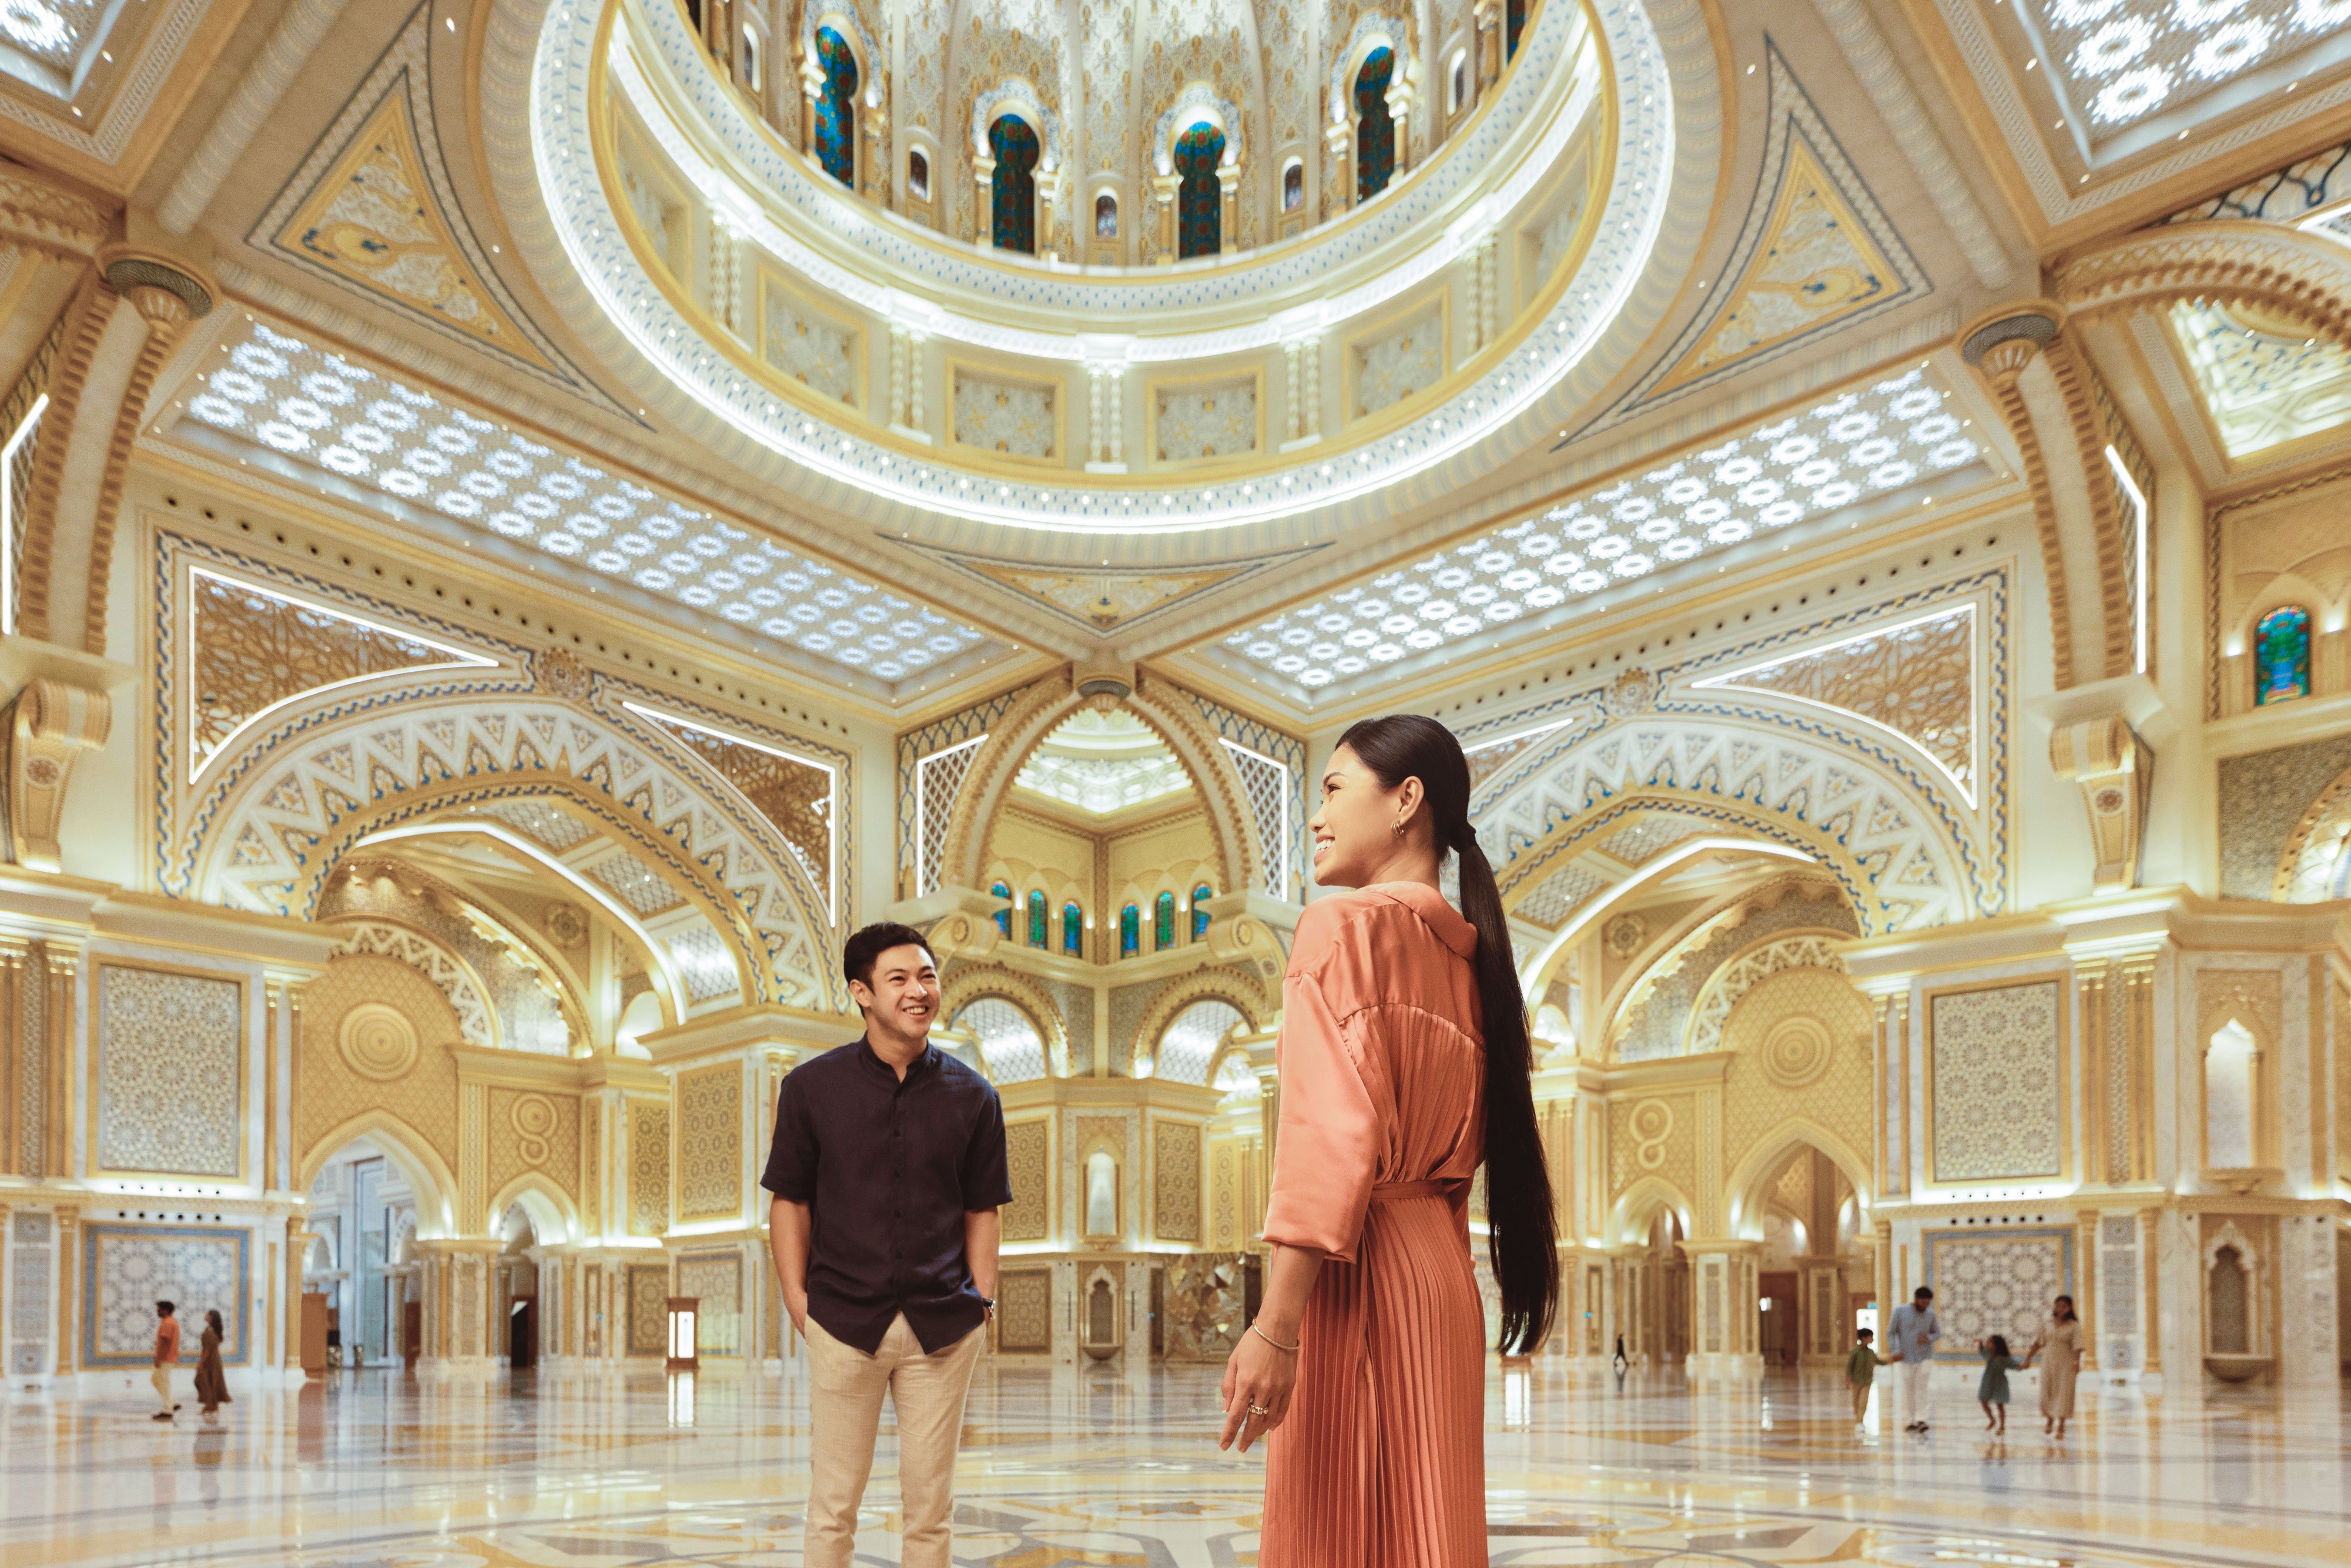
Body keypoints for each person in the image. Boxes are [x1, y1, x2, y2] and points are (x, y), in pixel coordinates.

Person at [1219, 713, 1558, 1568]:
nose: (1318, 815)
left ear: (1407, 800)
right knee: (1427, 1532)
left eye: (1333, 789)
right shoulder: (1475, 965)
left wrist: (1277, 1325)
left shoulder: (1341, 928)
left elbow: (1329, 1139)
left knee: (1336, 1535)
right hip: (1440, 1276)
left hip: (1354, 1274)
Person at [763, 922, 1010, 1568]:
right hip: (844, 1321)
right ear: (862, 993)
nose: (918, 991)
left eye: (926, 975)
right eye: (898, 978)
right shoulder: (811, 1089)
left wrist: (982, 1299)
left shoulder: (976, 1095)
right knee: (834, 1505)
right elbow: (789, 1199)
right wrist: (799, 1300)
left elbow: (982, 1206)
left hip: (945, 1328)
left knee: (931, 1509)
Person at [1886, 1286, 1940, 1431]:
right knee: (1909, 1389)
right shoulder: (1900, 1312)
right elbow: (1891, 1332)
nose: (1925, 1306)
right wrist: (1895, 1350)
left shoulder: (1930, 1315)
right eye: (1923, 1303)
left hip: (1925, 1358)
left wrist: (1928, 1338)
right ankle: (1912, 1420)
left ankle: (1922, 1419)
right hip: (1906, 1357)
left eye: (1928, 1303)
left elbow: (1938, 1333)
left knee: (1921, 1388)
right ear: (1916, 1299)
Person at [2030, 1294, 2082, 1438]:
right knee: (2048, 1390)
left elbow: (2077, 1346)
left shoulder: (2074, 1326)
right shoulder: (2047, 1324)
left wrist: (2077, 1362)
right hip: (2048, 1360)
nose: (2060, 1309)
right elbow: (2038, 1343)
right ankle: (2049, 1420)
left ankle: (2061, 1425)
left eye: (2064, 1307)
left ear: (2070, 1308)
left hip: (2066, 1361)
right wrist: (2029, 1359)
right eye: (2058, 1306)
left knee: (2064, 1392)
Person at [1976, 1334, 2021, 1434]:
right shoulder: (1988, 1353)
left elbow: (2014, 1365)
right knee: (1984, 1401)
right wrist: (1980, 1344)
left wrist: (2023, 1365)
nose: (1988, 1344)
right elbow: (1982, 1352)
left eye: (1990, 1342)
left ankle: (2002, 1426)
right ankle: (1992, 1420)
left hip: (1999, 1382)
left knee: (2000, 1405)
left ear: (1996, 1345)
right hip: (1987, 1381)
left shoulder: (2004, 1358)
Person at [194, 1309, 232, 1419]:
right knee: (208, 1381)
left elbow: (208, 1350)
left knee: (205, 1381)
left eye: (207, 1314)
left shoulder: (211, 1331)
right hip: (212, 1359)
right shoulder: (210, 1329)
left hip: (211, 1360)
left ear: (211, 1317)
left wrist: (201, 1363)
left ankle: (211, 1405)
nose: (205, 1315)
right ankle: (211, 1405)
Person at [1845, 1326, 1885, 1426]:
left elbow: (1879, 1361)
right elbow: (1849, 1367)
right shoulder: (1855, 1352)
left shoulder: (1871, 1352)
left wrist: (1891, 1360)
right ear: (1864, 1338)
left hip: (1867, 1382)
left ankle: (1860, 1421)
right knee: (1856, 1402)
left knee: (1863, 1402)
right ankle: (1857, 1417)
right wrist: (1848, 1380)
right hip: (1856, 1381)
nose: (1872, 1339)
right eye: (1871, 1337)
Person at [150, 1301, 182, 1420]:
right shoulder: (171, 1322)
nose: (157, 1311)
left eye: (159, 1309)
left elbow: (164, 1343)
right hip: (169, 1358)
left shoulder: (168, 1323)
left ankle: (168, 1410)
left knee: (163, 1382)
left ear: (166, 1311)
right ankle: (172, 1403)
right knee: (156, 1380)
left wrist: (159, 1358)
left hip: (166, 1358)